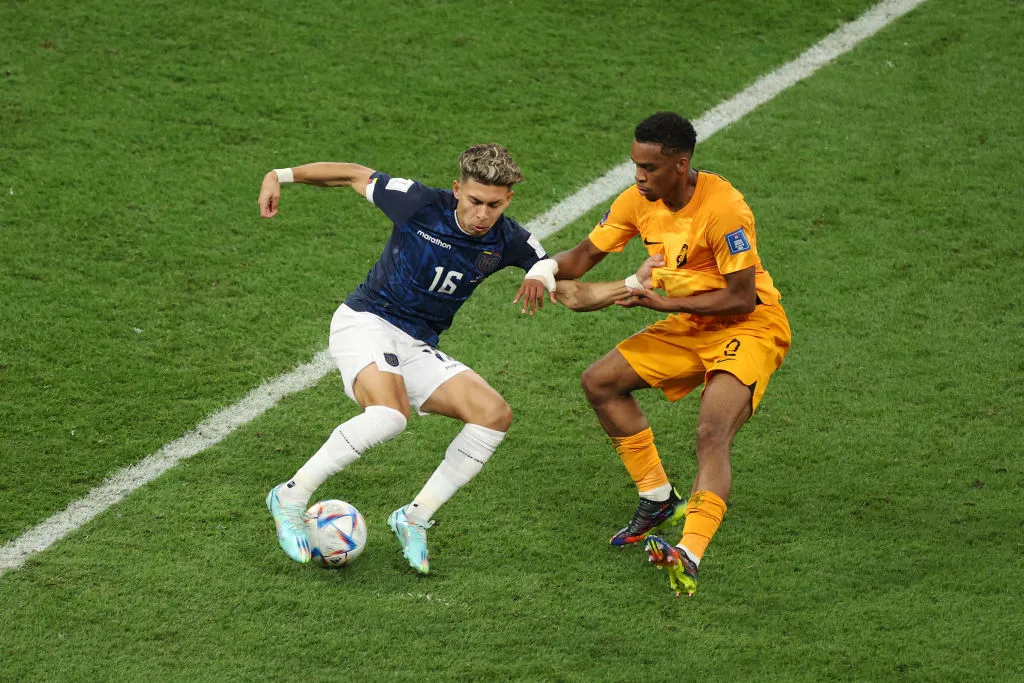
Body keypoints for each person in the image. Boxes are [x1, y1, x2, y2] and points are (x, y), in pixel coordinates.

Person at [515, 112, 791, 596]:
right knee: (600, 382)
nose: (639, 176)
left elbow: (742, 297)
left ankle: (690, 551)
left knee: (711, 431)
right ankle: (657, 497)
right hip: (690, 323)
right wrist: (542, 271)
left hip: (749, 326)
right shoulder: (637, 200)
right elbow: (581, 258)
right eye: (635, 165)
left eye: (650, 168)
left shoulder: (725, 209)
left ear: (680, 165)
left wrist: (665, 302)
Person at [258, 143, 549, 574]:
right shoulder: (418, 204)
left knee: (493, 414)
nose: (481, 214)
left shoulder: (509, 239)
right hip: (366, 320)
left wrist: (544, 272)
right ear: (457, 190)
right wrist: (279, 175)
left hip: (415, 343)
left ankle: (413, 517)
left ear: (508, 201)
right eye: (473, 201)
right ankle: (291, 495)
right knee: (389, 415)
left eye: (493, 205)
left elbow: (547, 262)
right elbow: (353, 173)